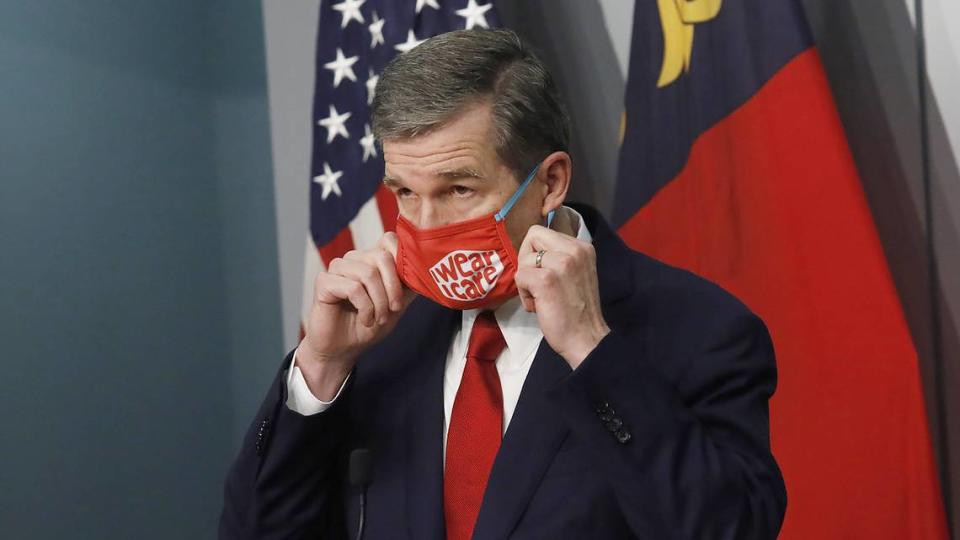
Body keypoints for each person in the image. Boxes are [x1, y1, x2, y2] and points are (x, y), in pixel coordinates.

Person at [219, 29, 786, 540]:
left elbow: (728, 529)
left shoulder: (700, 330)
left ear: (551, 182)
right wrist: (320, 368)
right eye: (406, 194)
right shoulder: (376, 336)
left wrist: (593, 350)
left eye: (459, 190)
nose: (426, 226)